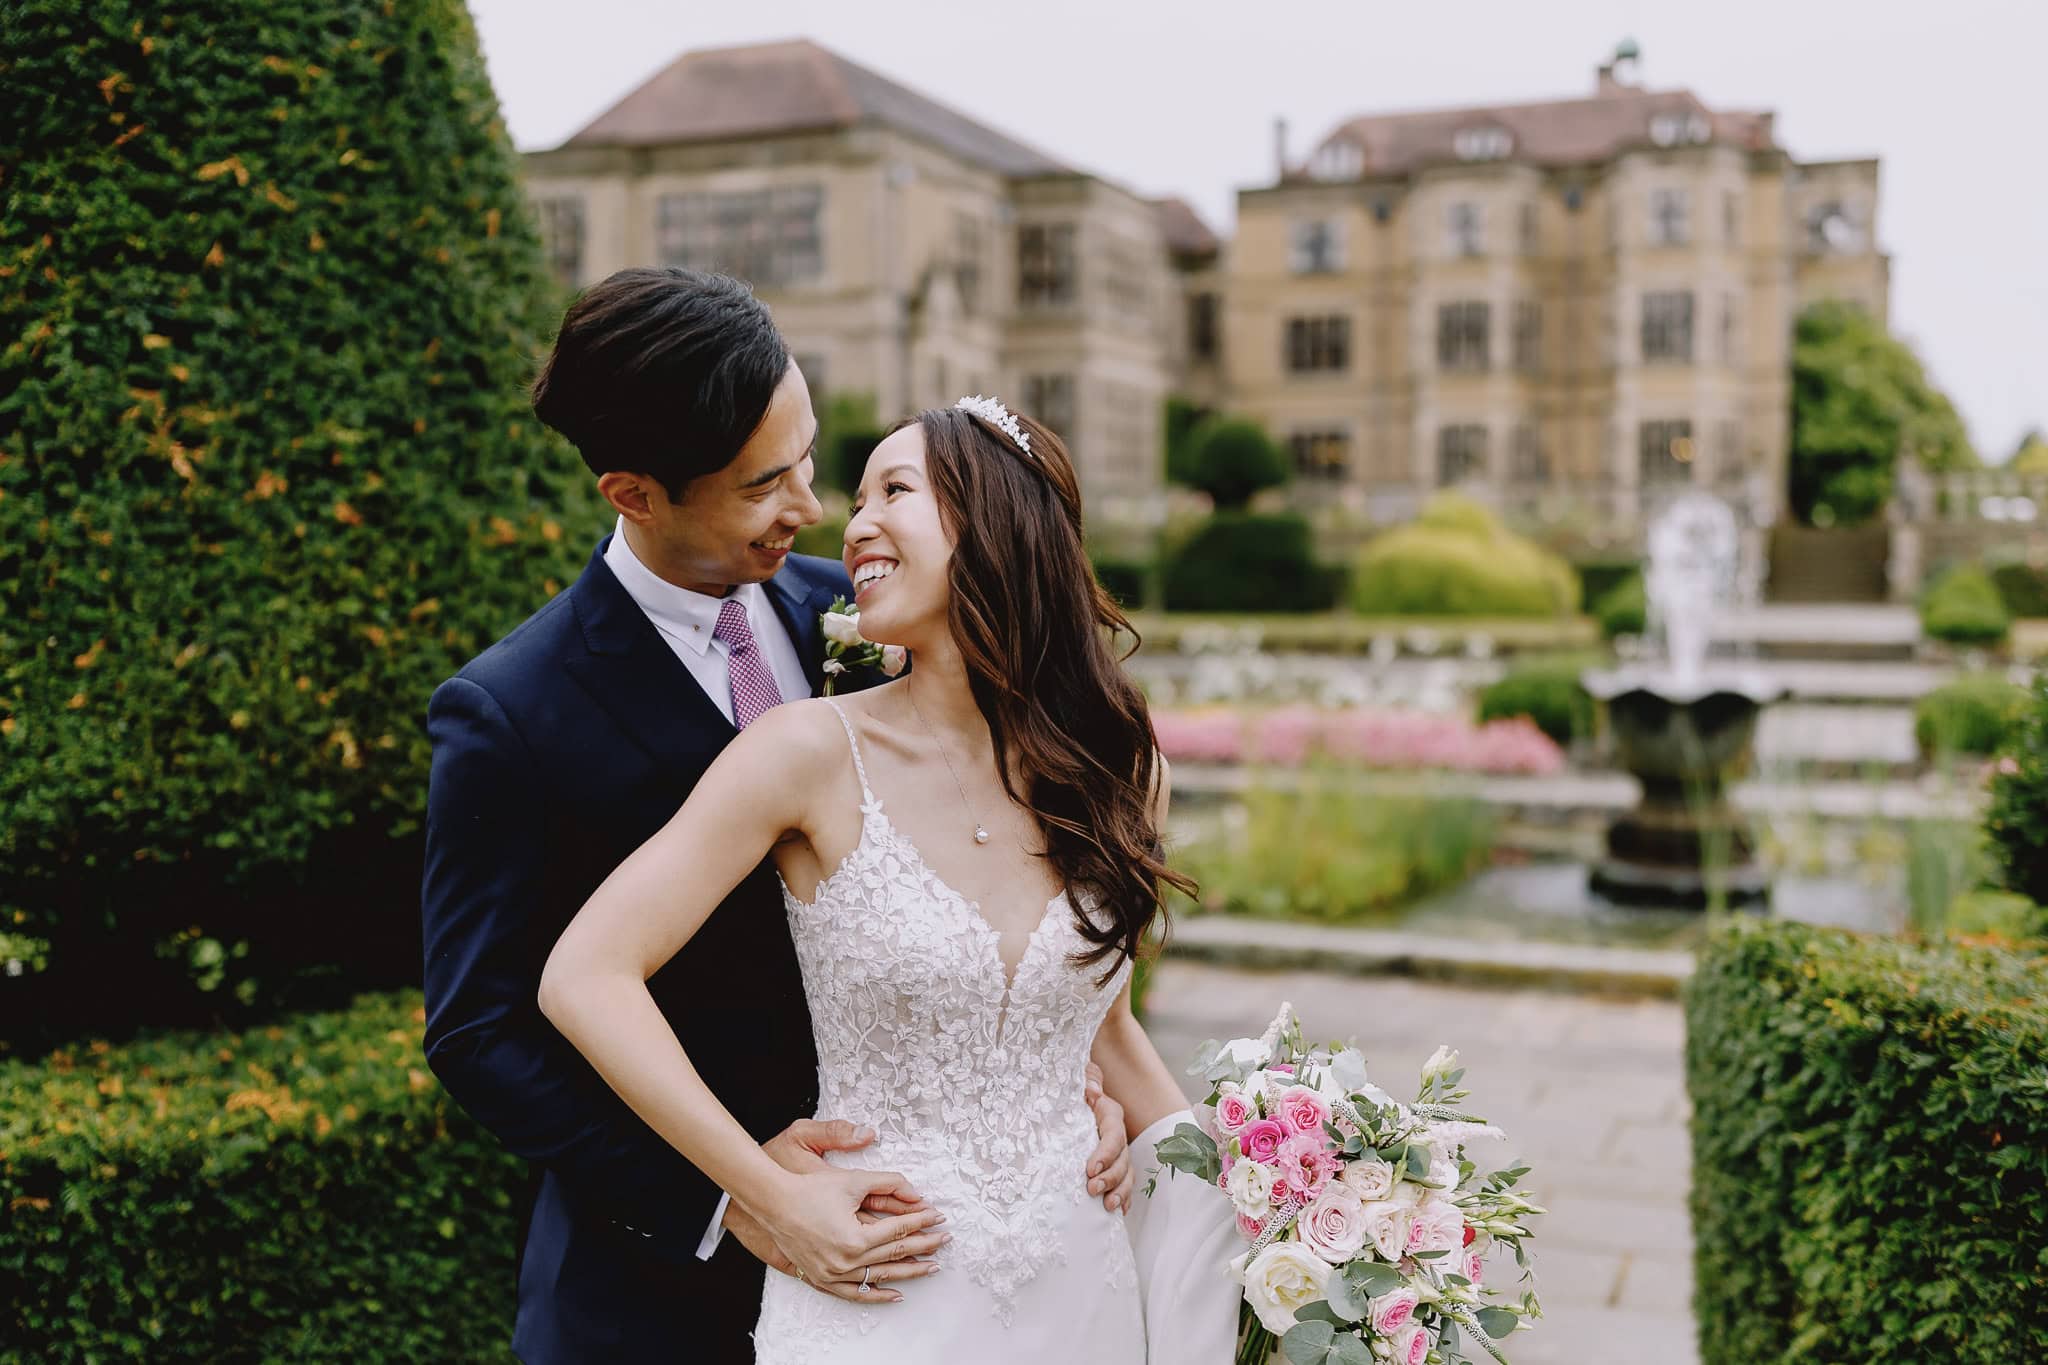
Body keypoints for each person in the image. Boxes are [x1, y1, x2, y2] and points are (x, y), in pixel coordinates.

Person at [420, 270, 1134, 1365]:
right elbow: (480, 1031)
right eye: (765, 486)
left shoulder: (871, 610)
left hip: (944, 1257)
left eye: (807, 463)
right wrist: (732, 1198)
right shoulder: (511, 712)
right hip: (656, 1293)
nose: (809, 509)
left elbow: (1011, 878)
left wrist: (1048, 1077)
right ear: (634, 491)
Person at [538, 397, 1227, 1360]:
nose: (852, 522)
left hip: (1084, 1288)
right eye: (857, 497)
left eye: (892, 491)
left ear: (999, 523)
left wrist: (1277, 1210)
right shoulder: (805, 753)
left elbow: (1100, 1022)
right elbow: (585, 977)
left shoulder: (1117, 761)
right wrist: (765, 1192)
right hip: (879, 1289)